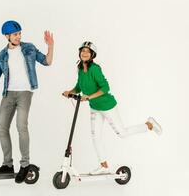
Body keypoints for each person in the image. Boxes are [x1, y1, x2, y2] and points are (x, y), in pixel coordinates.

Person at [63, 41, 162, 175]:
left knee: (122, 133)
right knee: (95, 137)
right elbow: (79, 86)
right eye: (83, 50)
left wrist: (90, 97)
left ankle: (149, 124)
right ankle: (104, 166)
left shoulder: (95, 69)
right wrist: (70, 92)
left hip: (107, 106)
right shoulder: (80, 69)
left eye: (87, 51)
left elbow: (105, 87)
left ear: (92, 55)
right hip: (95, 108)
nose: (84, 53)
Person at [0, 20, 54, 183]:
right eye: (15, 34)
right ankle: (7, 164)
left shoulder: (29, 48)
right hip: (8, 94)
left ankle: (25, 164)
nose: (18, 36)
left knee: (21, 126)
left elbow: (47, 61)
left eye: (19, 33)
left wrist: (50, 46)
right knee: (2, 127)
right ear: (7, 36)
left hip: (25, 92)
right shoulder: (2, 55)